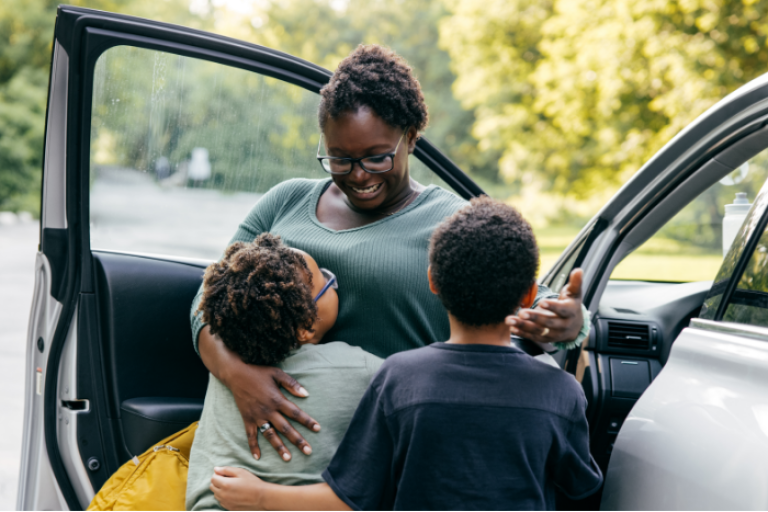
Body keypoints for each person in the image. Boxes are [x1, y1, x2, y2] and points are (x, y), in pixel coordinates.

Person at [191, 44, 591, 463]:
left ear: (411, 138)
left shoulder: (450, 219)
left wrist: (568, 322)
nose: (359, 175)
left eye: (377, 157)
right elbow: (209, 300)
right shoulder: (284, 202)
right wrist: (238, 376)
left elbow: (523, 296)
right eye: (340, 159)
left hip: (389, 450)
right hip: (279, 452)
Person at [208, 197, 603, 511]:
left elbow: (352, 496)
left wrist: (259, 497)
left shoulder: (400, 378)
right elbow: (580, 486)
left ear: (432, 280)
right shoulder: (561, 392)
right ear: (529, 295)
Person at [185, 234, 383, 511]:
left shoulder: (223, 372)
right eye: (324, 281)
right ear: (306, 329)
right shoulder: (361, 369)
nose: (331, 281)